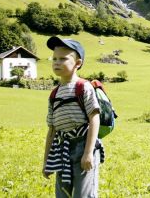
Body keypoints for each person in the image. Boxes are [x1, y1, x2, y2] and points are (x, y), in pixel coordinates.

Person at [42, 36, 104, 198]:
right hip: (62, 149)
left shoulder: (83, 87)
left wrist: (88, 152)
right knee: (62, 194)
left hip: (83, 145)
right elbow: (52, 130)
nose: (56, 62)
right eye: (54, 58)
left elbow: (94, 119)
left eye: (63, 58)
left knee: (83, 194)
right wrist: (46, 162)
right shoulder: (54, 94)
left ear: (78, 63)